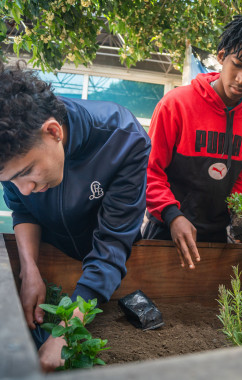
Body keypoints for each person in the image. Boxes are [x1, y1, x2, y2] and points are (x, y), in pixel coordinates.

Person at [0, 61, 151, 371]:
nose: (24, 189)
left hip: (111, 267)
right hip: (56, 255)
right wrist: (30, 270)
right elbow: (23, 208)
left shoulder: (123, 139)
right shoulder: (13, 158)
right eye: (11, 179)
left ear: (53, 131)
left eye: (28, 172)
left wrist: (66, 331)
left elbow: (111, 245)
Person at [142, 14, 242, 269]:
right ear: (222, 57)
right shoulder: (176, 104)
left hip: (218, 240)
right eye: (237, 64)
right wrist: (172, 215)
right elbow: (149, 171)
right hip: (166, 231)